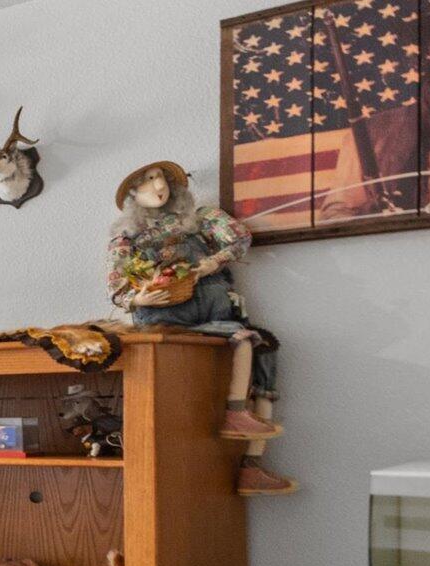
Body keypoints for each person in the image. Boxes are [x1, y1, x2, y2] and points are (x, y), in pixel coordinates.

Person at [106, 161, 293, 495]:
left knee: (265, 349)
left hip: (213, 313)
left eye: (159, 178)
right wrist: (141, 298)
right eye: (146, 182)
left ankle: (251, 464)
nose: (157, 185)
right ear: (134, 194)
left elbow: (239, 238)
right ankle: (234, 418)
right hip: (164, 322)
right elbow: (117, 287)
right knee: (241, 342)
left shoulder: (201, 218)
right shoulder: (126, 237)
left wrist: (214, 262)